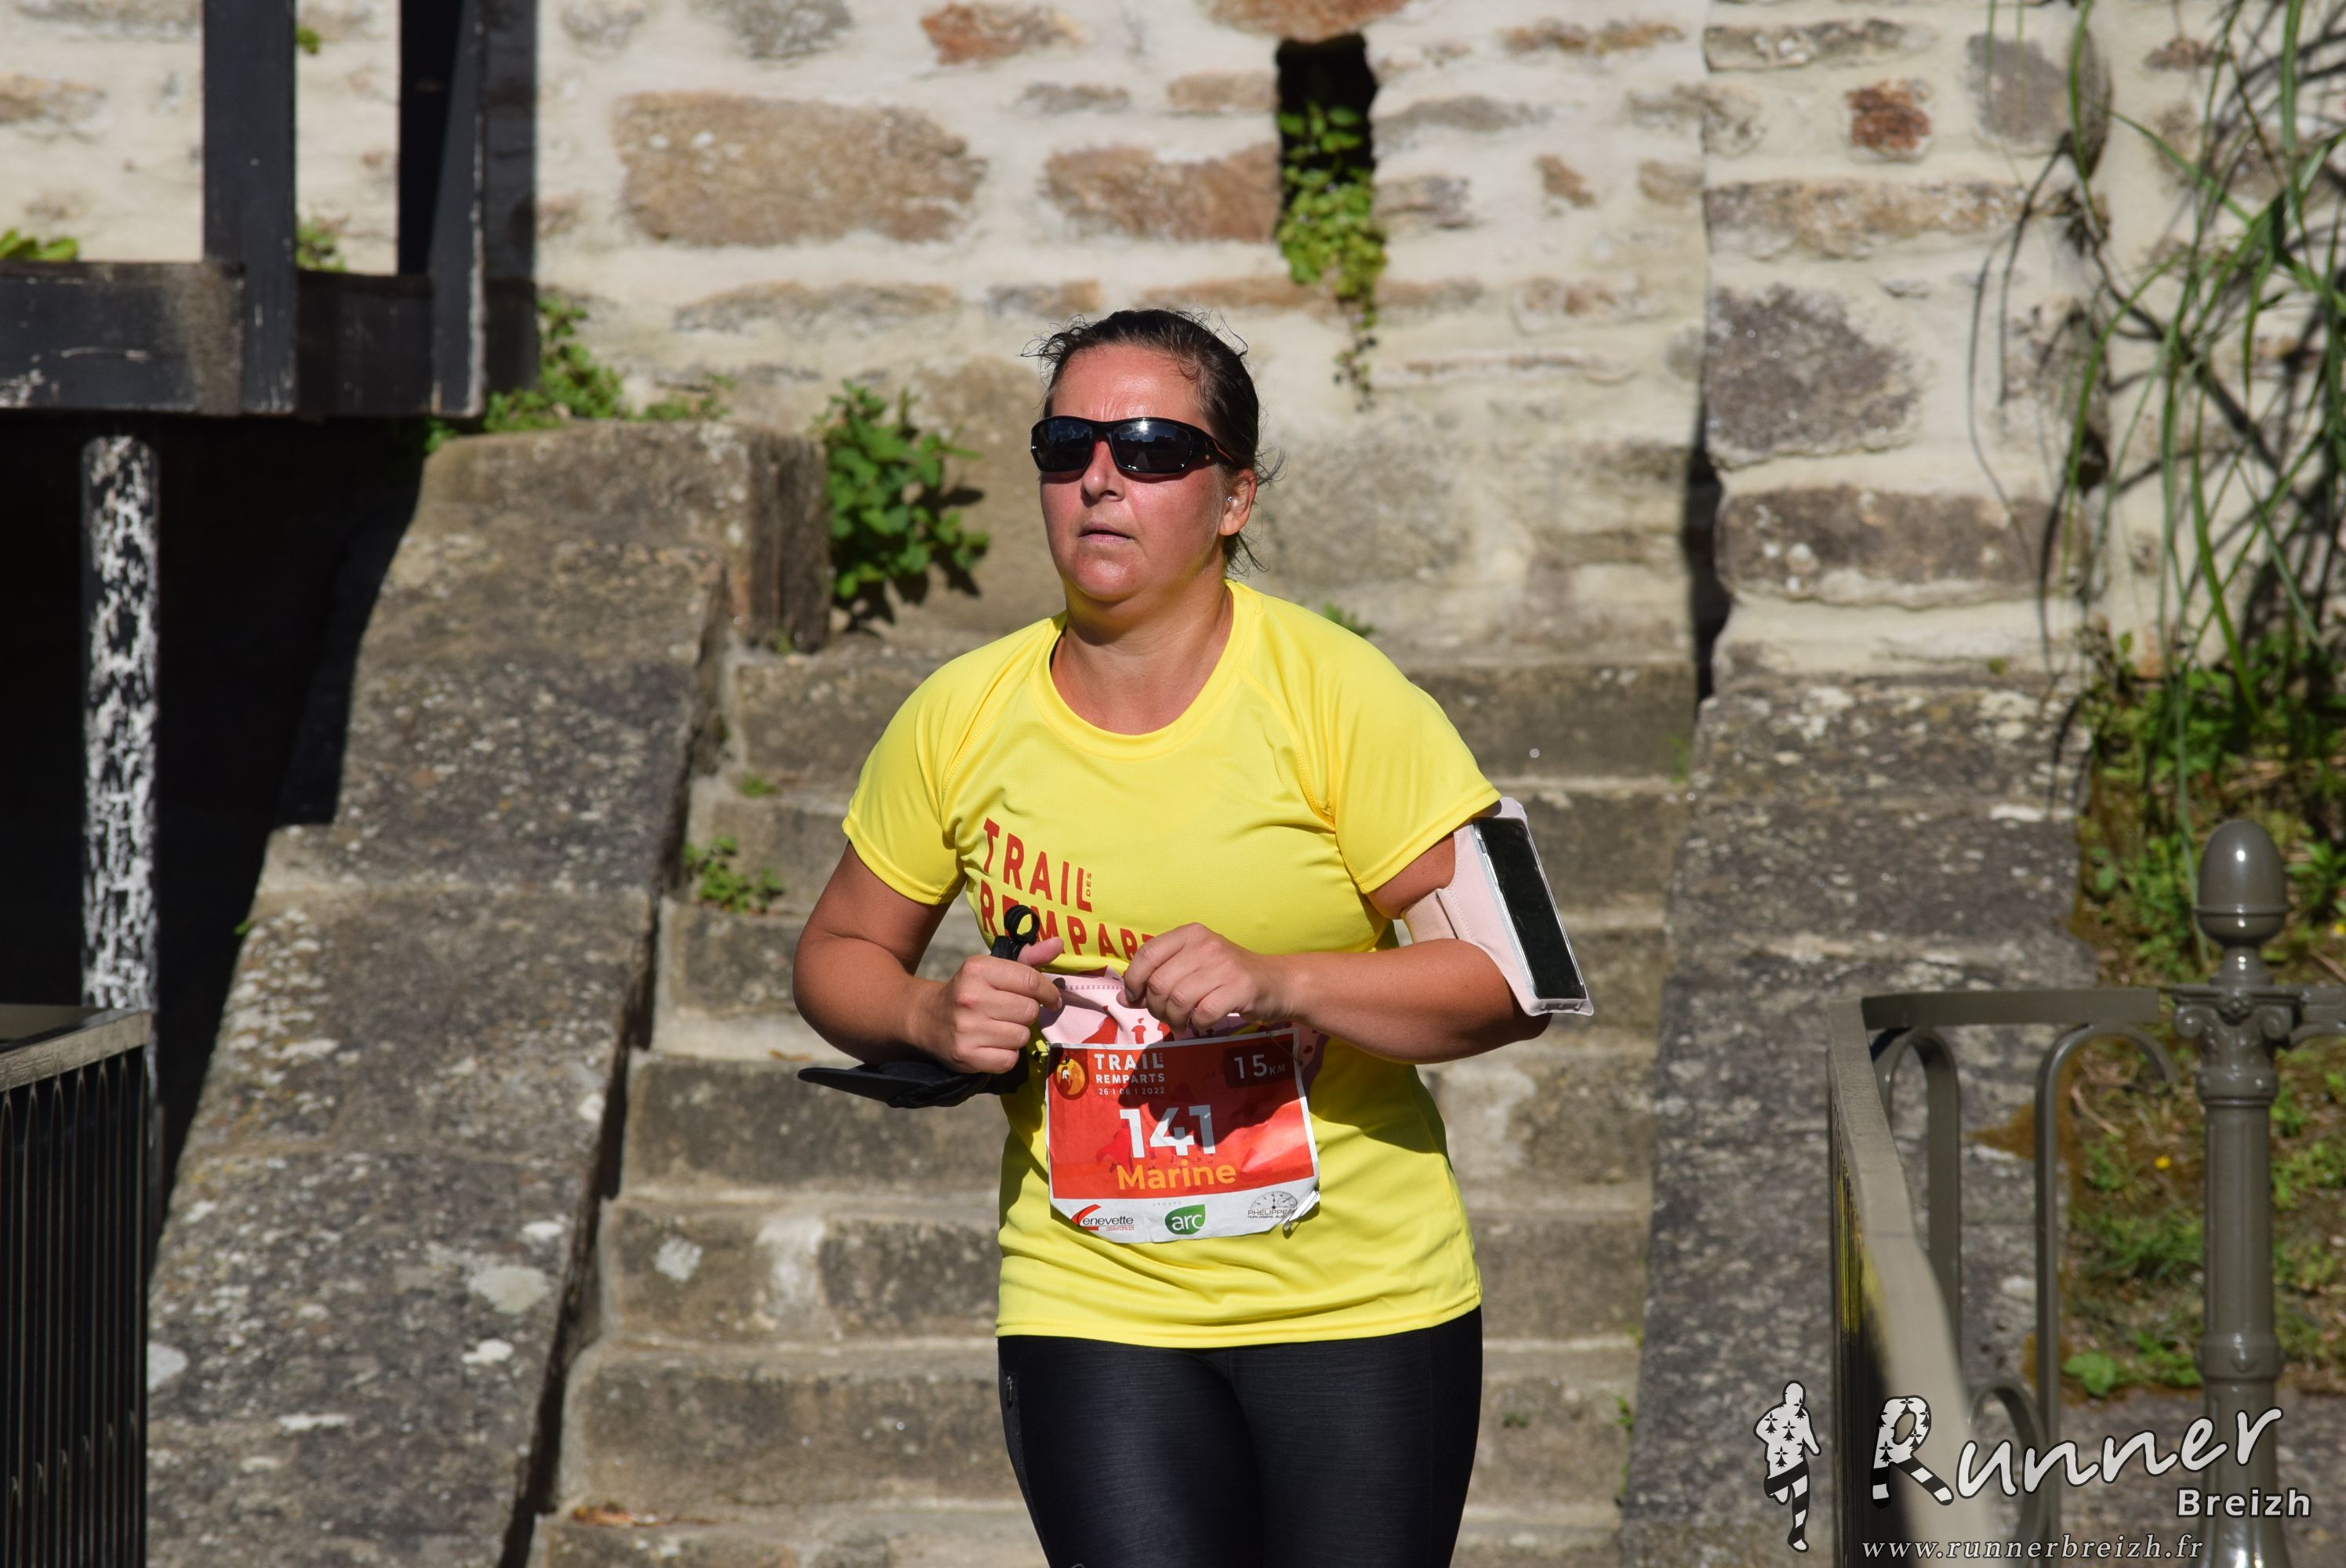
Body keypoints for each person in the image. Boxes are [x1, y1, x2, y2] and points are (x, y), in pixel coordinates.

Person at [791, 308, 1550, 1568]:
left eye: (1150, 448)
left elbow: (1517, 983)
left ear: (1234, 496)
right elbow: (836, 954)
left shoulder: (1341, 694)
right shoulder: (959, 716)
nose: (1100, 477)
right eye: (1067, 446)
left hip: (1356, 1302)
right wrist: (925, 1012)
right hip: (1092, 1298)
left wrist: (1285, 981)